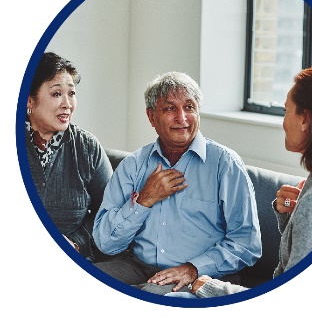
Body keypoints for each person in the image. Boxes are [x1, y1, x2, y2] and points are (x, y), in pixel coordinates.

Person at [168, 67, 312, 298]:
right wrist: (292, 215)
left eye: (286, 111)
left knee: (176, 298)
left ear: (305, 120)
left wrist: (212, 288)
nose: (283, 122)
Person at [92, 71, 262, 294]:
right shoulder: (133, 165)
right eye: (170, 108)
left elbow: (247, 243)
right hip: (136, 266)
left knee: (151, 295)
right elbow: (105, 242)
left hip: (202, 274)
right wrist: (144, 201)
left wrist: (193, 268)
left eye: (189, 107)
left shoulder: (225, 164)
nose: (182, 118)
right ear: (151, 116)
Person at [26, 52, 113, 262]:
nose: (68, 104)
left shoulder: (87, 146)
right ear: (29, 100)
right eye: (57, 94)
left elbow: (111, 212)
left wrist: (76, 242)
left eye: (71, 93)